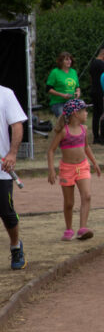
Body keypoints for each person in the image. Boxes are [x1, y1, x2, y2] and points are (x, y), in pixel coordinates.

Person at [46, 99, 101, 240]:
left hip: (83, 167)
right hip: (67, 170)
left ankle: (82, 228)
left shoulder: (84, 129)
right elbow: (51, 150)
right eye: (85, 110)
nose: (87, 113)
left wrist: (94, 162)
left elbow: (86, 147)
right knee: (69, 202)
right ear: (76, 113)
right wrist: (51, 170)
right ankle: (69, 229)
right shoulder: (63, 131)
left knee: (87, 196)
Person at [0, 84, 28, 269]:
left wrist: (12, 153)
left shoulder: (5, 94)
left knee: (6, 211)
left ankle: (16, 246)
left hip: (2, 169)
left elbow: (17, 125)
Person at [87, 46, 104, 145]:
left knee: (96, 115)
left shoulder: (93, 63)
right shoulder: (102, 64)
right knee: (103, 113)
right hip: (101, 91)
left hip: (94, 90)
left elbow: (91, 77)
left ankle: (96, 136)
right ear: (103, 53)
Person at [45, 52, 80, 119]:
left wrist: (78, 92)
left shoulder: (73, 72)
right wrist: (62, 95)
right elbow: (48, 89)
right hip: (58, 102)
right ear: (61, 61)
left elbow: (77, 87)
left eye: (70, 59)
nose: (69, 61)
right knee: (64, 121)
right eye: (66, 59)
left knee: (73, 121)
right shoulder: (55, 72)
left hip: (71, 102)